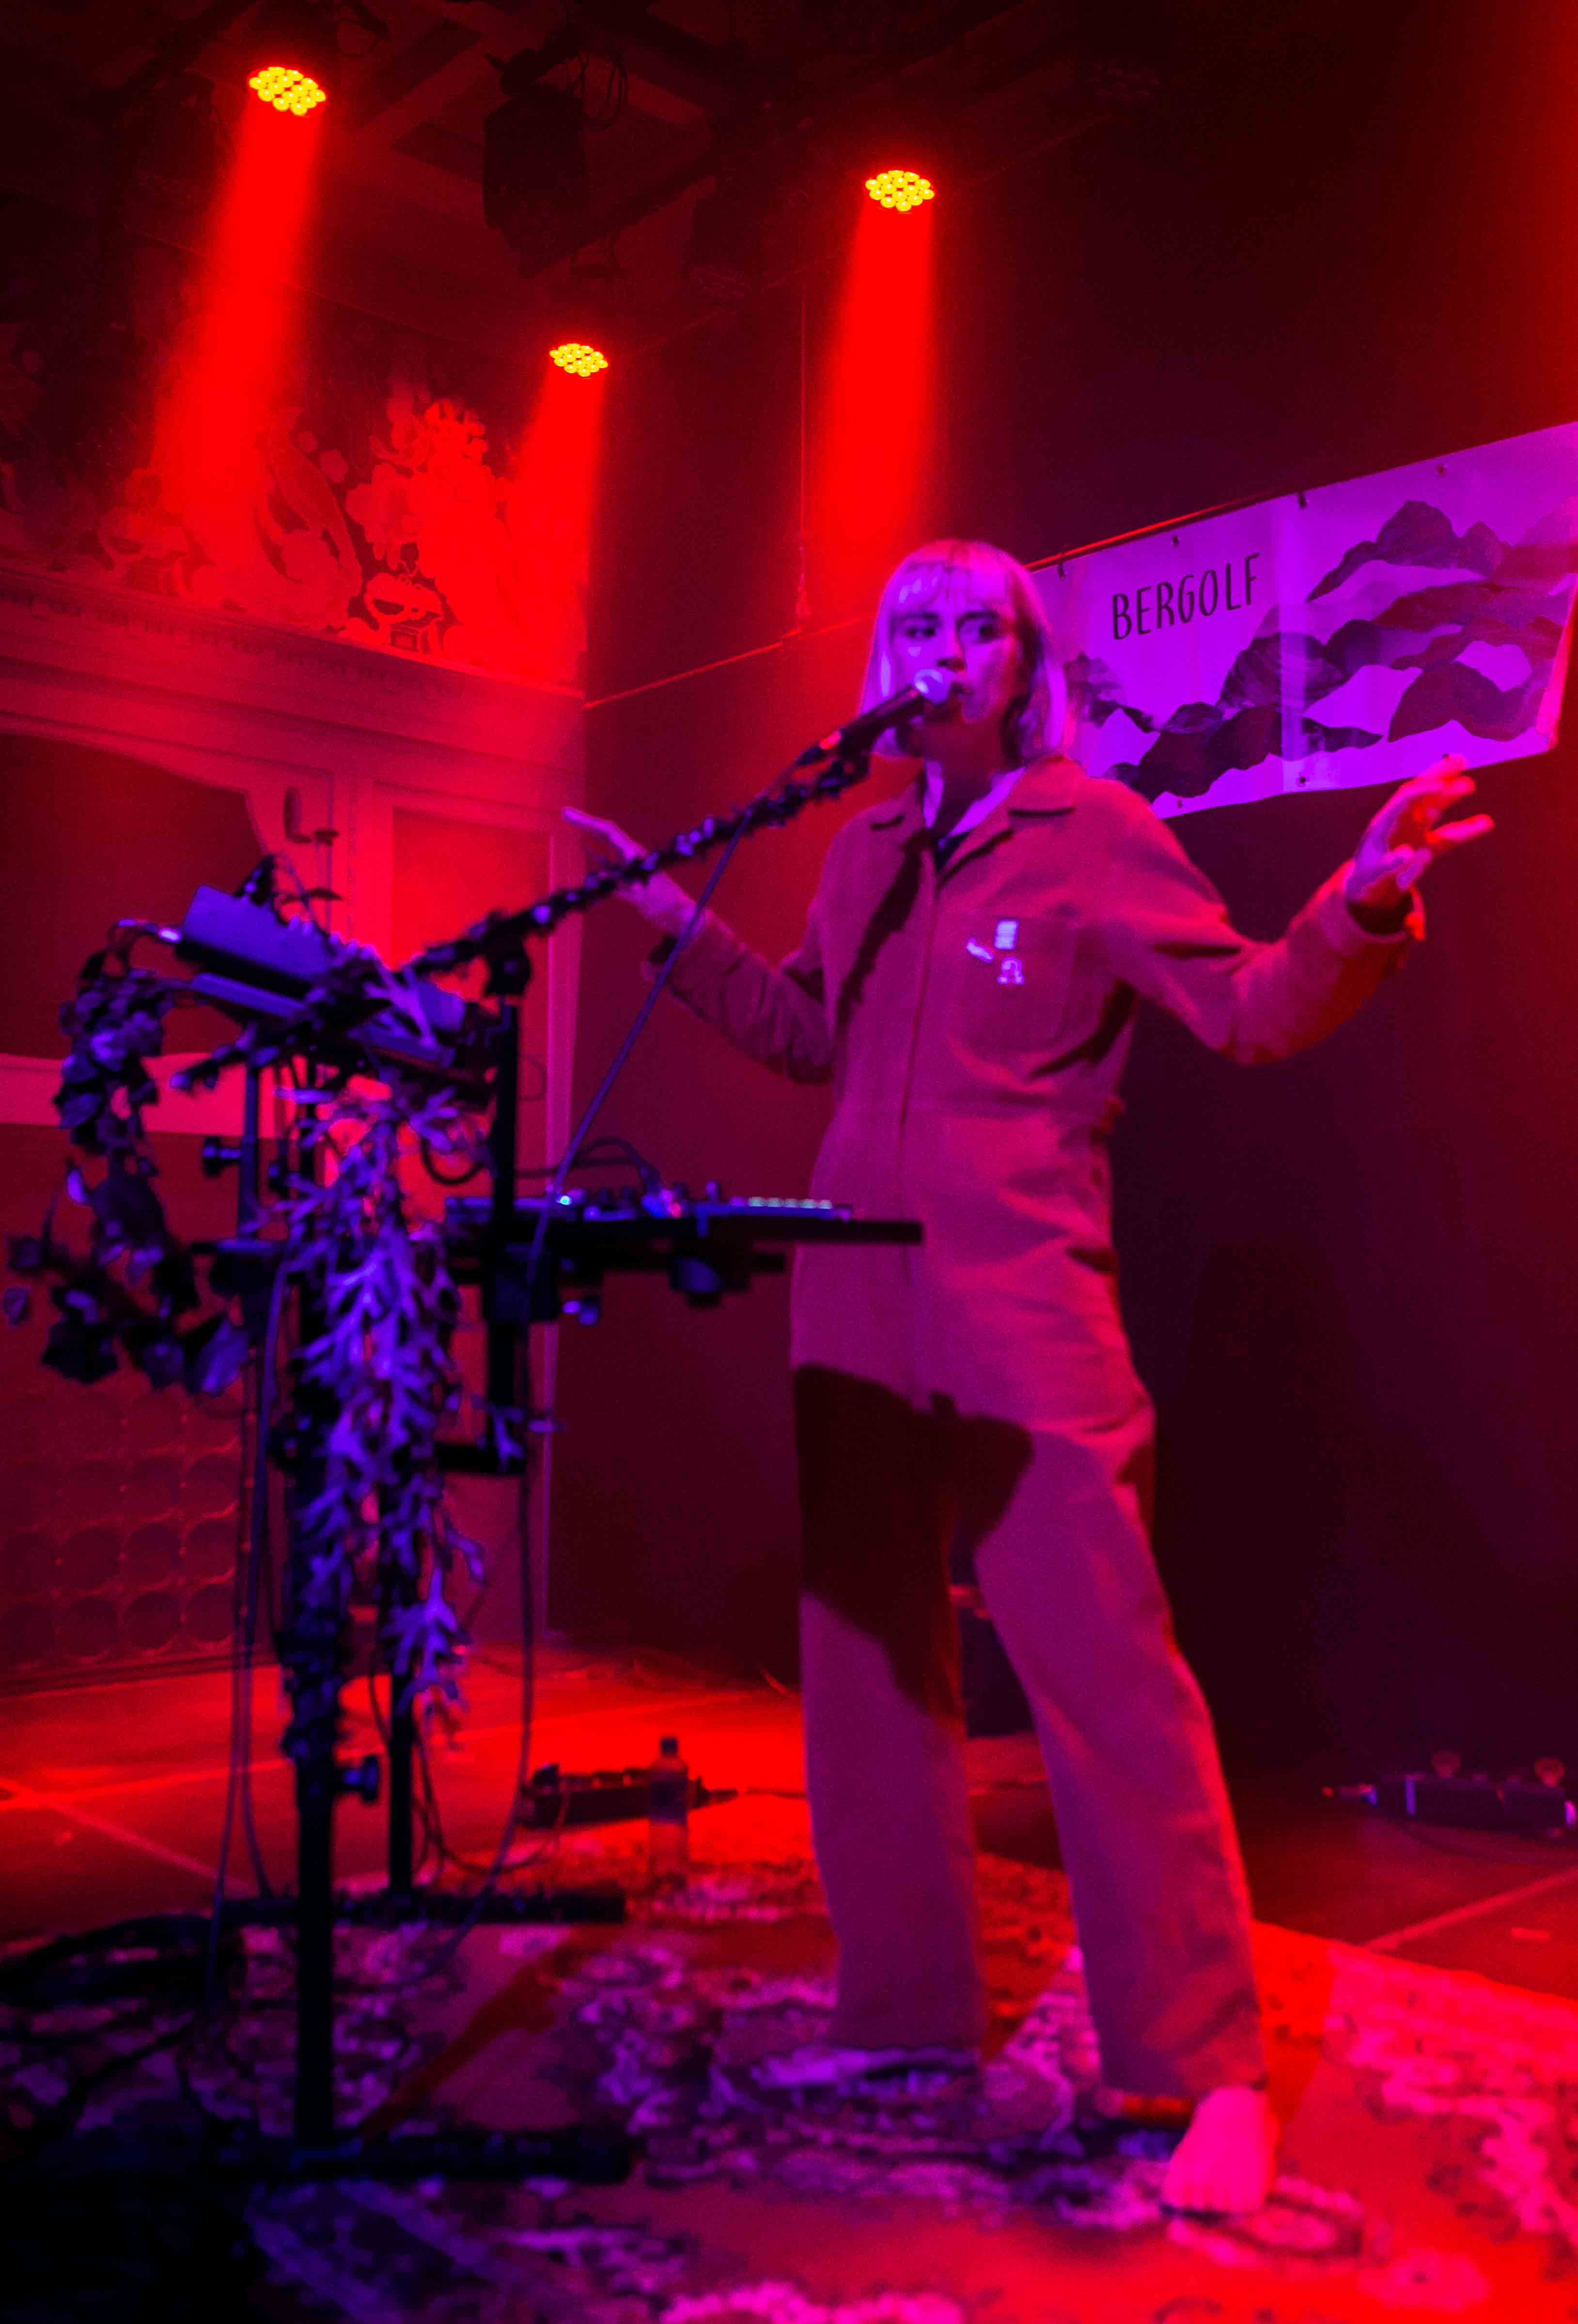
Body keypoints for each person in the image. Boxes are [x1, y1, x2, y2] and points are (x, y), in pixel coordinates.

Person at [567, 538, 1491, 2215]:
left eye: (971, 626)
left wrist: (1356, 902)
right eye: (909, 624)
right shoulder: (859, 847)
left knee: (1105, 1676)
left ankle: (1203, 2071)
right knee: (864, 1665)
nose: (938, 646)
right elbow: (807, 1035)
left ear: (1022, 665)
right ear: (882, 661)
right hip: (849, 1292)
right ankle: (903, 2018)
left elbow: (1249, 1009)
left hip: (1021, 1303)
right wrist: (672, 925)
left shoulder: (1093, 831)